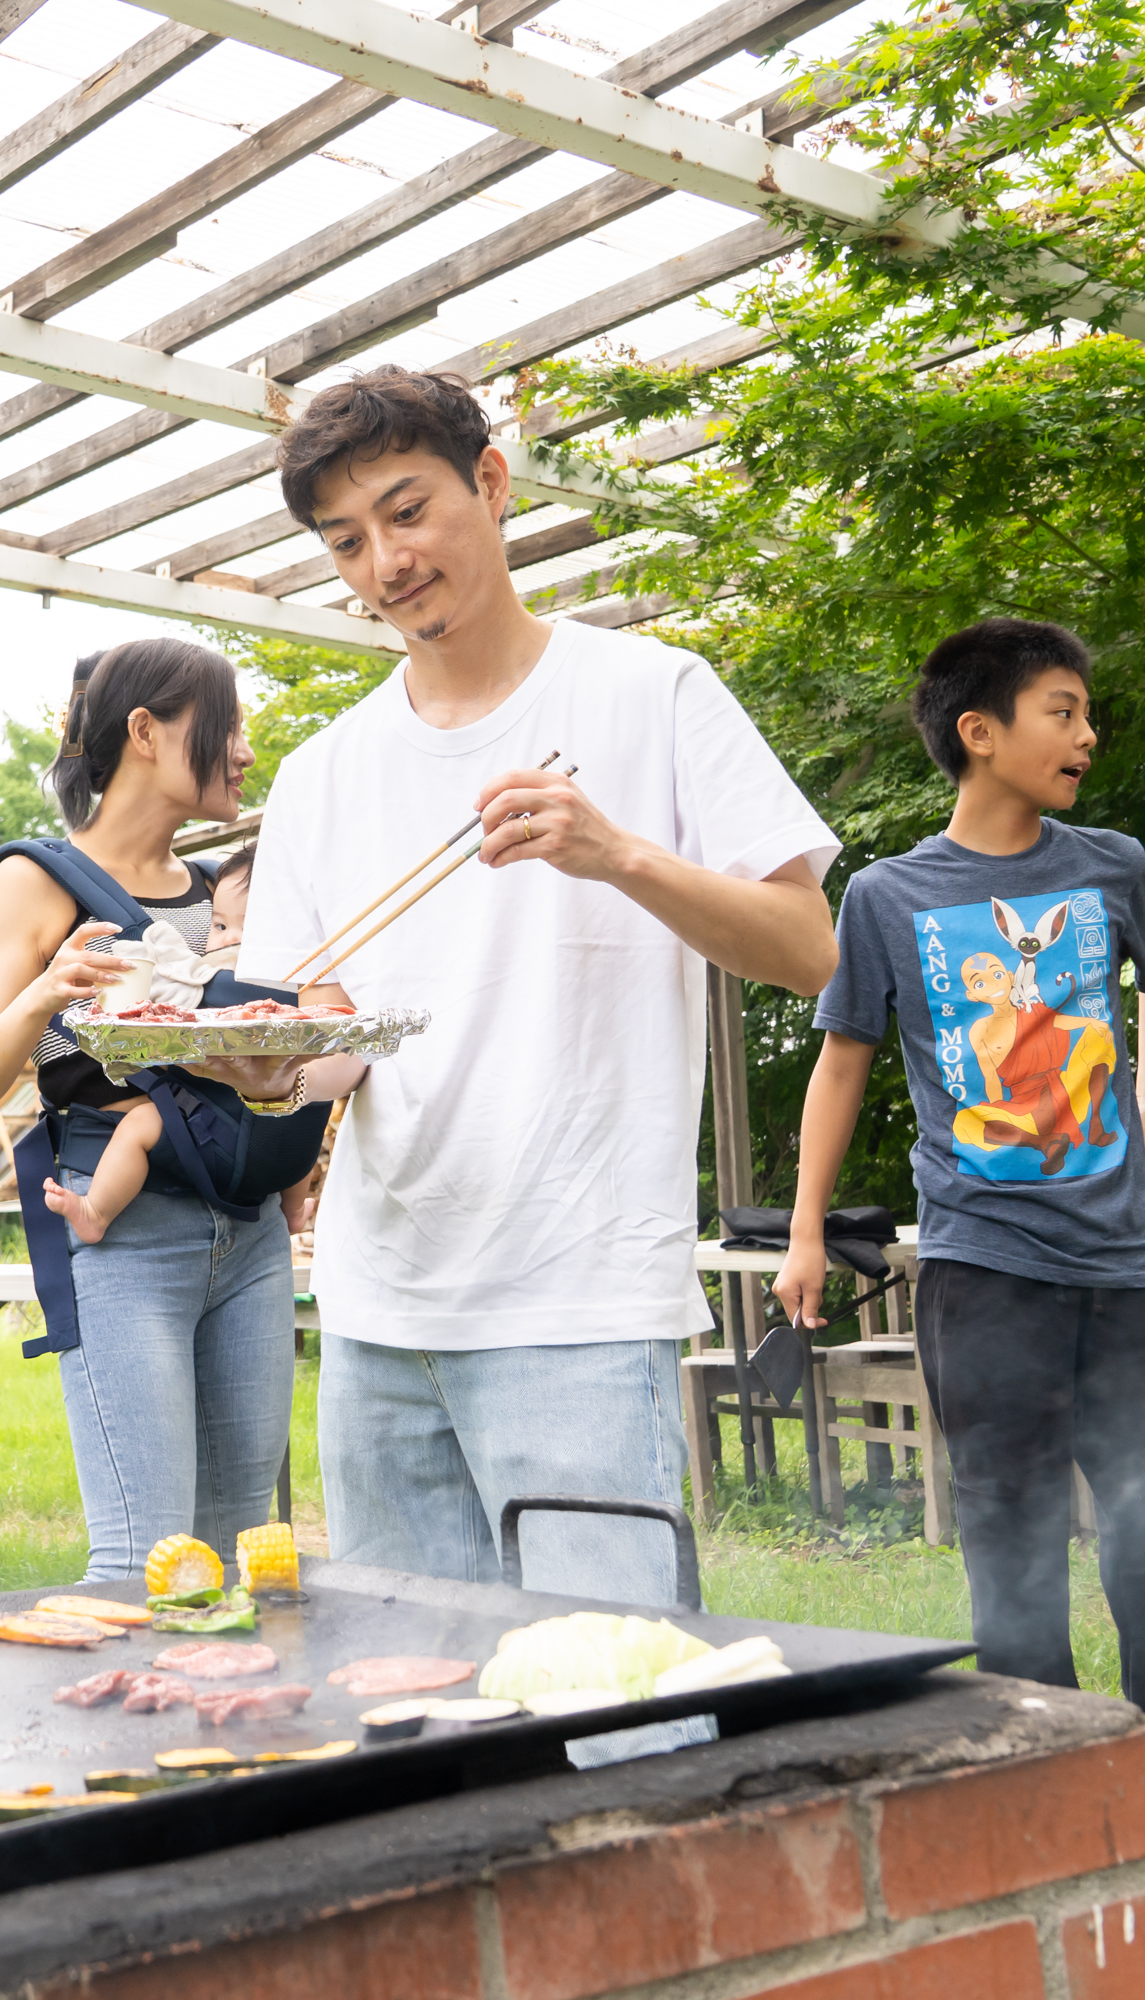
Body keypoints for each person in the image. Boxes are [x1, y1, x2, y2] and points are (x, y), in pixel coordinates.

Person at [236, 365, 840, 1616]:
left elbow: (813, 951)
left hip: (579, 1299)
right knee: (408, 1694)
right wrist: (263, 1067)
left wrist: (618, 854)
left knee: (612, 1693)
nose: (386, 561)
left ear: (492, 482)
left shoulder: (653, 692)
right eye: (347, 541)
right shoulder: (322, 772)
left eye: (408, 511)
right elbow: (332, 1036)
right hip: (377, 1310)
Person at [771, 617, 1145, 1888]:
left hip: (1129, 1267)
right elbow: (842, 1061)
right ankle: (1042, 1780)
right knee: (1010, 1536)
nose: (1088, 732)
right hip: (985, 1266)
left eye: (1086, 711)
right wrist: (805, 1228)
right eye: (1064, 709)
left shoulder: (1110, 864)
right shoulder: (888, 896)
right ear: (980, 731)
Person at [0, 646, 324, 1583]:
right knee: (143, 1559)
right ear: (145, 732)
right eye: (227, 726)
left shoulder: (223, 897)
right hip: (122, 1235)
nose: (245, 750)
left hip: (250, 1235)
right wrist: (45, 995)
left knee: (236, 1554)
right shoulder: (36, 881)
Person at [39, 840, 266, 1246]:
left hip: (256, 1110)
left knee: (298, 1117)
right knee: (142, 1123)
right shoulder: (204, 968)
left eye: (247, 928)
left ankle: (293, 1204)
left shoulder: (279, 973)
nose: (228, 940)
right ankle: (96, 1210)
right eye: (219, 926)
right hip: (202, 1108)